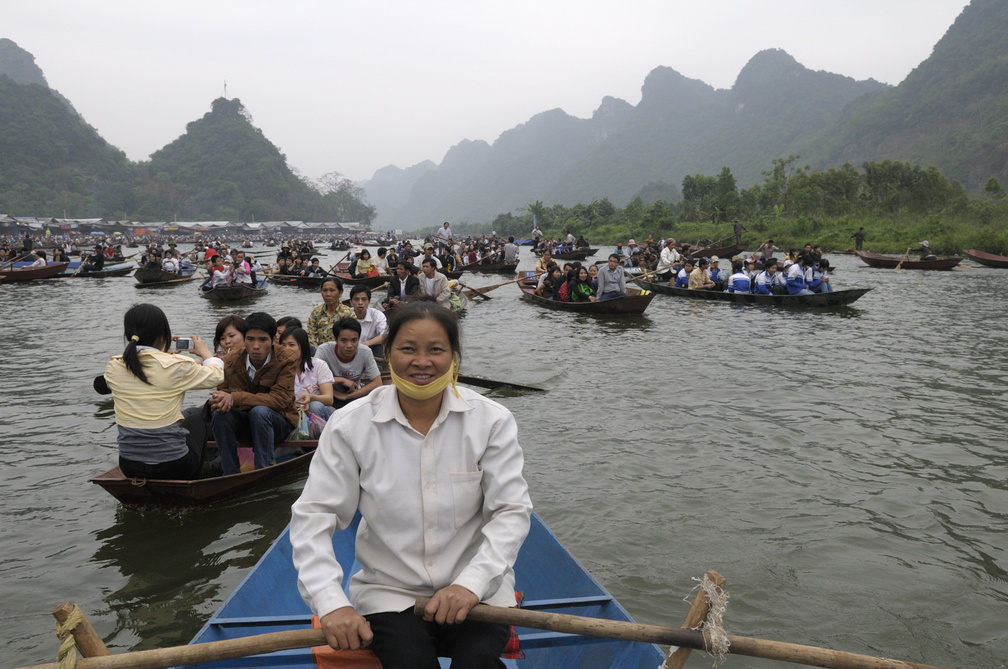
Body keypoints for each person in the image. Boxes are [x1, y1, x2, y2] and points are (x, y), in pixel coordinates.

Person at [289, 303, 532, 666]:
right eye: (407, 349)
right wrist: (331, 603)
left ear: (454, 357)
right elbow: (314, 517)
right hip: (390, 592)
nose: (422, 361)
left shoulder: (492, 421)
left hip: (478, 589)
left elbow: (511, 512)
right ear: (388, 355)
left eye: (436, 349)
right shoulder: (350, 425)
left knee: (478, 662)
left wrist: (472, 583)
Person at [104, 304, 223, 480]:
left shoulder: (114, 366)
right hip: (173, 465)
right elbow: (216, 376)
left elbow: (144, 368)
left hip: (129, 466)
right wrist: (205, 352)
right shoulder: (177, 365)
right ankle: (204, 470)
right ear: (163, 335)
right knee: (197, 419)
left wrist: (162, 353)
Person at [210, 312, 298, 475]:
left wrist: (236, 398)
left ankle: (263, 471)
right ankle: (230, 473)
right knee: (220, 415)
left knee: (260, 412)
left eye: (262, 340)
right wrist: (219, 401)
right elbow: (223, 394)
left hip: (279, 422)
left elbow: (280, 400)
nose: (256, 346)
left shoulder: (286, 359)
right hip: (245, 424)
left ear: (273, 340)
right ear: (244, 339)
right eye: (250, 339)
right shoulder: (228, 361)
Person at [314, 318, 383, 410]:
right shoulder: (324, 350)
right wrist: (341, 380)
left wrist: (348, 396)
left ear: (359, 339)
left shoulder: (365, 352)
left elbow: (377, 382)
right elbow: (312, 378)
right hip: (329, 398)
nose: (349, 345)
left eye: (354, 340)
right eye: (344, 341)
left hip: (354, 396)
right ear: (336, 340)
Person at [280, 327, 335, 420]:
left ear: (303, 346)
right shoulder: (277, 368)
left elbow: (329, 399)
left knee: (315, 406)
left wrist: (311, 397)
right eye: (283, 345)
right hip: (290, 413)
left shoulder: (319, 365)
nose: (286, 349)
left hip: (317, 413)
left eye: (291, 345)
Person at [307, 277, 355, 347]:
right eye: (325, 290)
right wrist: (318, 352)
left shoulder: (348, 313)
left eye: (332, 290)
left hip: (342, 352)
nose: (328, 294)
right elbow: (311, 335)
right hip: (320, 353)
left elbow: (352, 337)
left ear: (340, 293)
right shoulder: (316, 312)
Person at [349, 285, 388, 357]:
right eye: (356, 299)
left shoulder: (377, 315)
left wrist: (366, 344)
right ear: (351, 301)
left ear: (369, 301)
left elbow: (385, 335)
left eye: (364, 299)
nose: (360, 303)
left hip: (370, 351)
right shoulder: (346, 315)